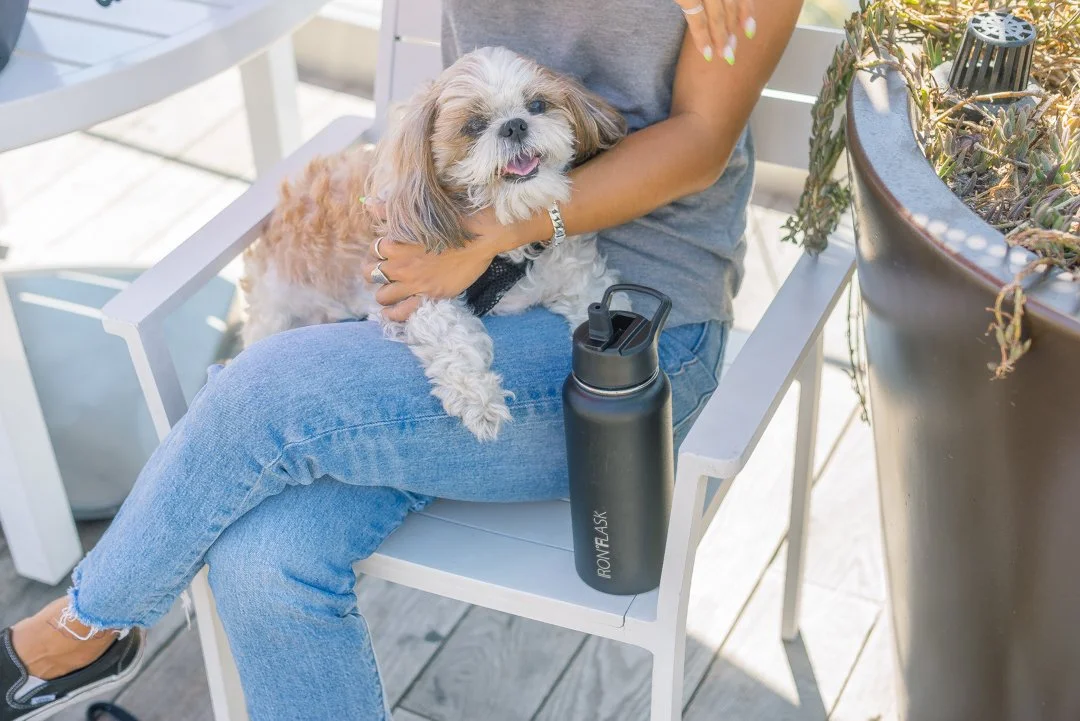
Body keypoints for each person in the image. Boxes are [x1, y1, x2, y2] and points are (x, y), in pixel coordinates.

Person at [1, 1, 804, 719]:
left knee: (264, 396)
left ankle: (80, 627)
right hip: (454, 264)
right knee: (262, 558)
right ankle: (85, 630)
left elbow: (701, 142)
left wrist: (499, 233)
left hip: (627, 338)